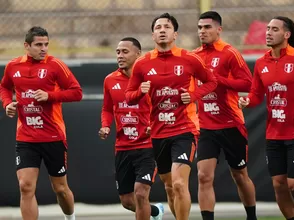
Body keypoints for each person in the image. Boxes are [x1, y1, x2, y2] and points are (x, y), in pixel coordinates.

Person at [125, 13, 218, 220]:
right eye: (158, 27)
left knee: (178, 183)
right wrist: (140, 91)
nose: (162, 30)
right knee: (168, 186)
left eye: (166, 27)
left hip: (184, 129)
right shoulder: (142, 63)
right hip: (158, 132)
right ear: (153, 35)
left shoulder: (189, 58)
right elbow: (129, 97)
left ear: (175, 34)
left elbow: (212, 82)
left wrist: (193, 96)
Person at [238, 16, 294, 220]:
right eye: (267, 29)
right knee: (279, 185)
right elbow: (256, 95)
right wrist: (247, 101)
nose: (268, 32)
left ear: (286, 34)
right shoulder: (260, 63)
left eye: (274, 29)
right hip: (274, 134)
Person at [0, 26, 82, 220]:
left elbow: (76, 92)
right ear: (26, 46)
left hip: (53, 136)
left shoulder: (55, 65)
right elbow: (4, 87)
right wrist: (7, 104)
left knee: (60, 188)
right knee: (25, 186)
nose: (43, 48)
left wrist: (50, 96)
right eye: (38, 45)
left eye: (46, 44)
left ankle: (70, 217)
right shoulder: (13, 66)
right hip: (26, 137)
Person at [193, 11, 257, 220]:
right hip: (205, 126)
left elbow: (248, 84)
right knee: (203, 176)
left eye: (207, 27)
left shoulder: (230, 53)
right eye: (200, 27)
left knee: (239, 175)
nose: (202, 31)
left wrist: (218, 80)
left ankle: (251, 216)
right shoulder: (194, 57)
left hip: (231, 123)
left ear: (219, 29)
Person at [98, 37, 164, 220]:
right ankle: (156, 212)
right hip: (123, 147)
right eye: (118, 52)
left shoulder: (150, 79)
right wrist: (105, 126)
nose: (120, 56)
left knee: (141, 193)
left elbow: (163, 105)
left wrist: (155, 125)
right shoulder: (110, 80)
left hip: (147, 145)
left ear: (138, 54)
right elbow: (107, 108)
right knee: (127, 201)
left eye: (125, 52)